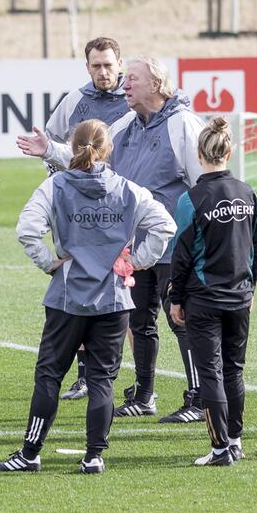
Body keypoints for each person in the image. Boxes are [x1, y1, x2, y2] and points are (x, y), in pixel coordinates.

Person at [18, 55, 207, 423]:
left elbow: (203, 184)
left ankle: (197, 398)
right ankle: (145, 394)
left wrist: (198, 238)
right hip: (134, 248)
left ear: (156, 84)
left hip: (174, 244)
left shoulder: (182, 124)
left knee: (180, 319)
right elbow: (91, 155)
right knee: (141, 322)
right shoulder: (126, 123)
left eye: (132, 78)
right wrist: (51, 151)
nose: (125, 84)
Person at [0, 119, 174, 474]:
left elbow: (27, 230)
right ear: (108, 150)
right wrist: (135, 262)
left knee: (49, 375)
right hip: (114, 298)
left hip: (68, 295)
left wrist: (49, 263)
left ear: (73, 147)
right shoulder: (127, 189)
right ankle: (94, 456)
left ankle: (30, 453)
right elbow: (165, 225)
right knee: (103, 380)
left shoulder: (55, 185)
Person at [168, 116, 257, 466]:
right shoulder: (247, 193)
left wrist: (176, 298)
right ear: (230, 150)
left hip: (204, 299)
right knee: (234, 370)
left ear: (199, 153)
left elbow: (181, 254)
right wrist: (250, 287)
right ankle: (235, 441)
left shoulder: (190, 199)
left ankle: (221, 448)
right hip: (239, 297)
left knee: (210, 372)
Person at [43, 36, 130, 401]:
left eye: (109, 64)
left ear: (120, 65)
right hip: (81, 216)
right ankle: (85, 376)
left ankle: (135, 381)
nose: (103, 71)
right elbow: (50, 140)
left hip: (120, 211)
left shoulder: (132, 100)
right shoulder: (75, 100)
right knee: (80, 291)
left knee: (124, 296)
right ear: (87, 67)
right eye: (96, 65)